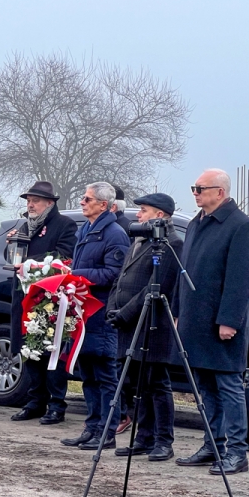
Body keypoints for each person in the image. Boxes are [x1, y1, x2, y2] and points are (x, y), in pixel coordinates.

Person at [173, 169, 249, 475]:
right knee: (205, 386)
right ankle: (212, 444)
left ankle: (238, 451)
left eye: (201, 188)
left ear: (220, 192)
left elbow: (239, 280)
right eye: (194, 187)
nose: (195, 192)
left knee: (228, 385)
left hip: (221, 323)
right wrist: (178, 311)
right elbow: (185, 272)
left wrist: (229, 320)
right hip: (195, 320)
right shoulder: (195, 223)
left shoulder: (240, 226)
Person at [106, 193, 181, 462]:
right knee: (137, 385)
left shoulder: (172, 244)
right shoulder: (138, 241)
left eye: (144, 211)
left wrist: (126, 313)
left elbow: (156, 286)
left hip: (152, 325)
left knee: (157, 384)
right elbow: (121, 277)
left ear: (160, 215)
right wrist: (112, 307)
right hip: (127, 324)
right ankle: (143, 437)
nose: (138, 215)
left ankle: (163, 441)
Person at [61, 182, 129, 451]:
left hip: (100, 312)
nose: (82, 202)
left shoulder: (114, 234)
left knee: (105, 375)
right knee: (87, 374)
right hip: (82, 313)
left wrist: (79, 276)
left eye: (87, 199)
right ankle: (91, 428)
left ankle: (107, 431)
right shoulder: (86, 230)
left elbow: (115, 274)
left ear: (103, 204)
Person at [6, 181, 78, 424]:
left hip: (49, 299)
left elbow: (63, 256)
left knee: (50, 350)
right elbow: (14, 259)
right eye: (28, 200)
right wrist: (12, 246)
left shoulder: (64, 225)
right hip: (25, 296)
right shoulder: (25, 226)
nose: (30, 204)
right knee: (29, 349)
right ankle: (35, 401)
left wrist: (28, 262)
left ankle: (56, 404)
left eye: (35, 200)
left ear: (50, 203)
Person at [110, 184, 134, 435]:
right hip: (115, 304)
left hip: (121, 304)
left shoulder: (123, 229)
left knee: (118, 364)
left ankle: (123, 413)